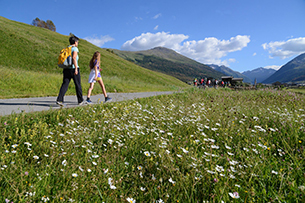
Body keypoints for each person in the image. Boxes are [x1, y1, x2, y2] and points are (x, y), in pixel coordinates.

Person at [56, 35, 84, 106]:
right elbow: (74, 58)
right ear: (75, 42)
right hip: (74, 69)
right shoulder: (74, 49)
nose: (77, 43)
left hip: (66, 69)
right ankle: (80, 101)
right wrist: (76, 69)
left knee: (65, 84)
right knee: (78, 85)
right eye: (77, 42)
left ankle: (60, 100)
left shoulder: (67, 48)